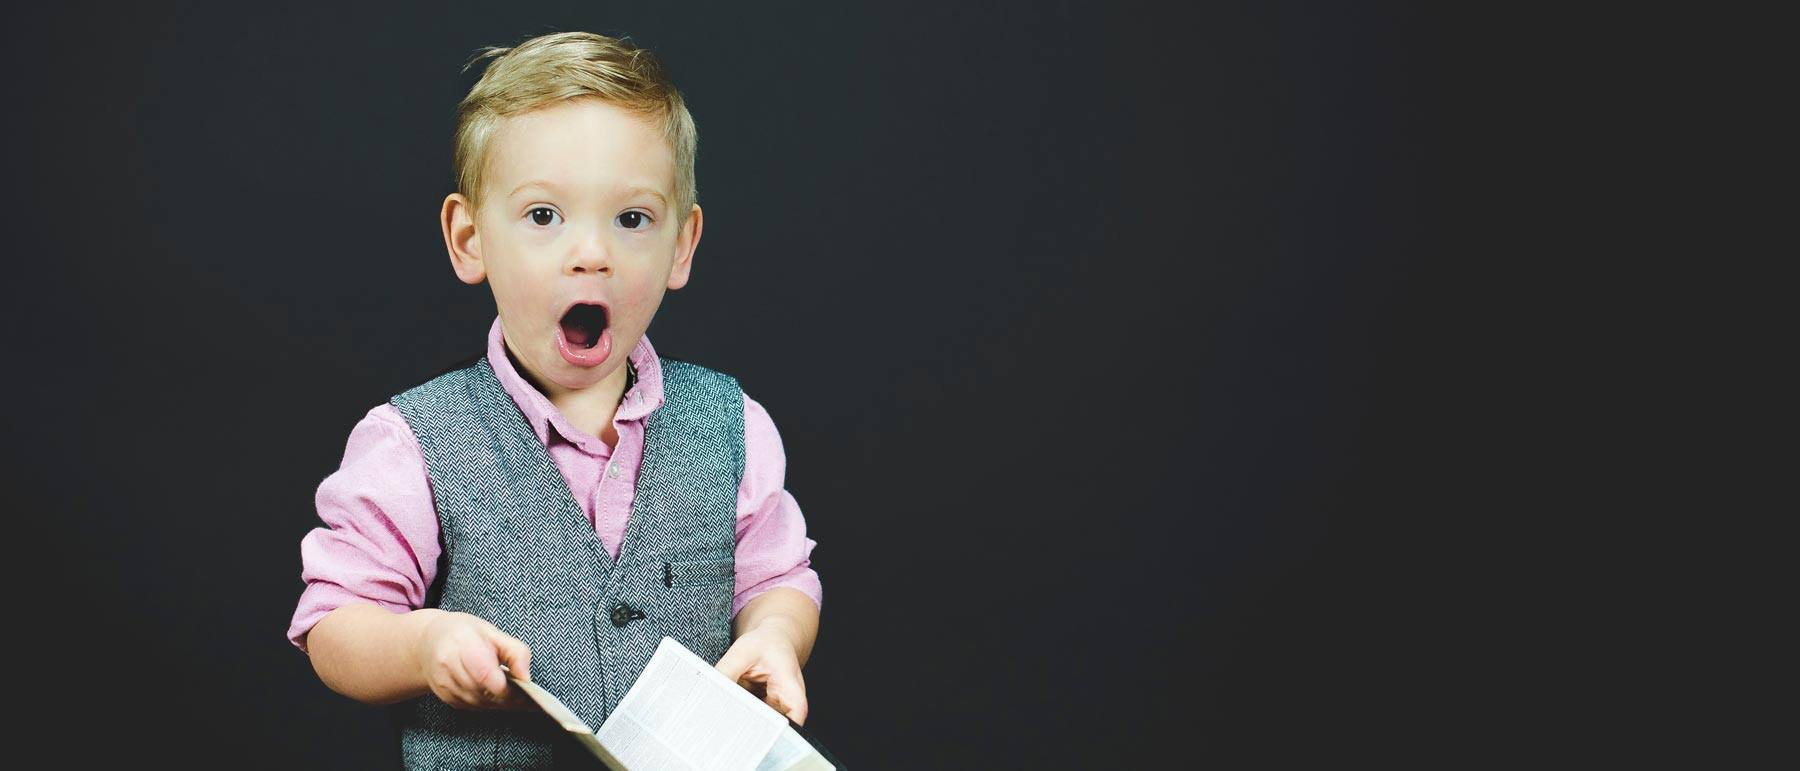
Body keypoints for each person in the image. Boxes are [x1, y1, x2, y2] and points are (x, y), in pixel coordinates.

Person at [285, 31, 822, 767]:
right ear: (470, 238)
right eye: (544, 216)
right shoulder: (412, 441)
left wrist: (774, 635)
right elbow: (333, 622)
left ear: (682, 247)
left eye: (632, 219)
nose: (591, 252)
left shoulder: (733, 427)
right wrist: (423, 643)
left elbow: (779, 578)